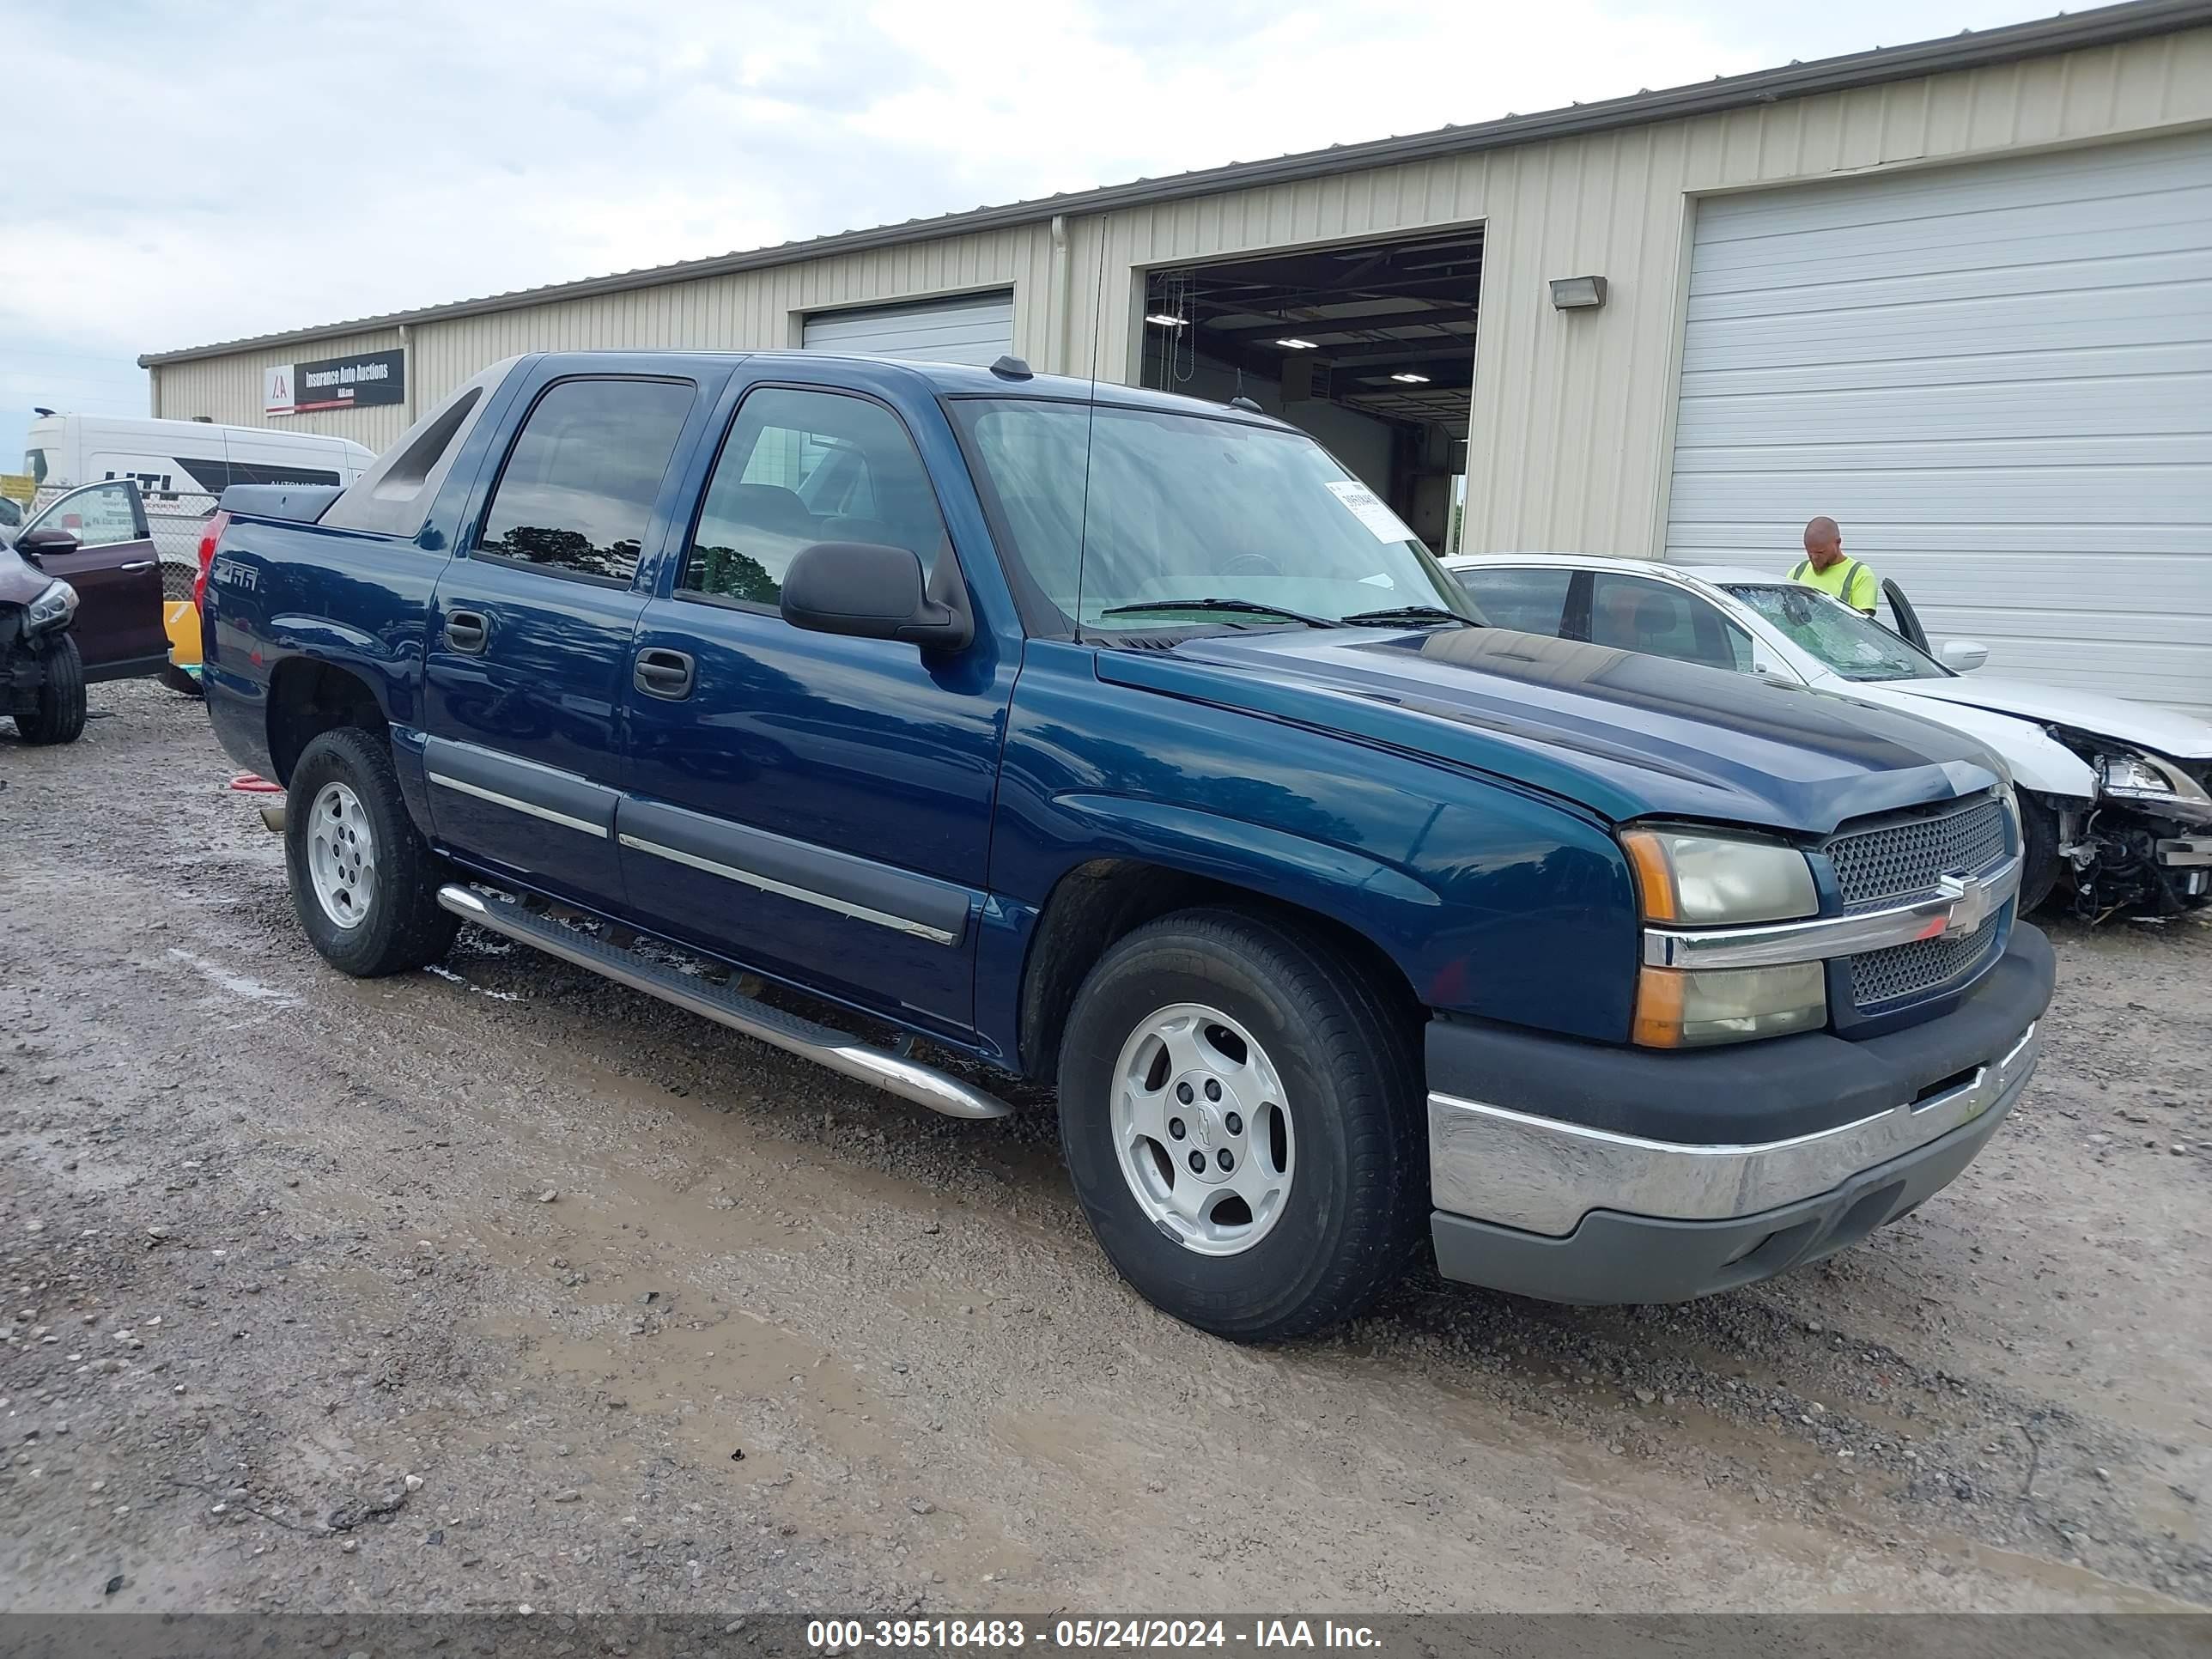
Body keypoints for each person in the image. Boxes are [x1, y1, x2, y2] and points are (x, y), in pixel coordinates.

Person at [1789, 516, 1879, 615]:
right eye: (1810, 552)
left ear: (1838, 543)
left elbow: (1863, 625)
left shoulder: (1860, 575)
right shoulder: (1797, 572)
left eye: (1820, 552)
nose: (1814, 558)